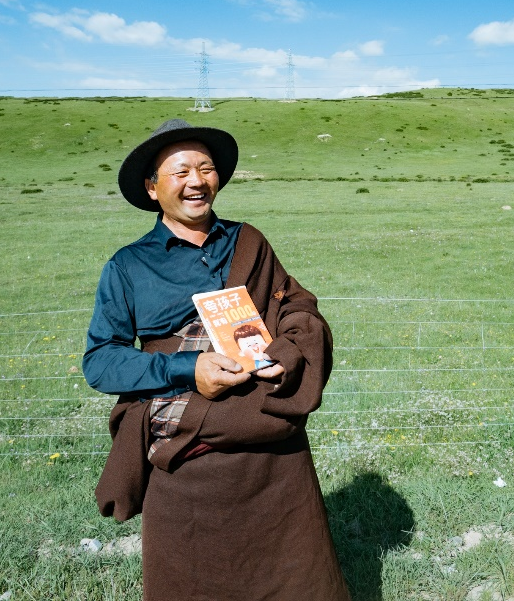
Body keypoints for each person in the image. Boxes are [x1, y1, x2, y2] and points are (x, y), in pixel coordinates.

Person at [84, 118, 349, 601]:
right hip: (187, 460)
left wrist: (286, 353)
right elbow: (101, 360)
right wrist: (188, 369)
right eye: (181, 171)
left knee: (294, 577)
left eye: (206, 169)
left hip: (274, 453)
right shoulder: (128, 266)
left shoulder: (249, 242)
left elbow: (297, 308)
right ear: (152, 188)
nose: (197, 181)